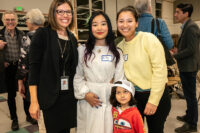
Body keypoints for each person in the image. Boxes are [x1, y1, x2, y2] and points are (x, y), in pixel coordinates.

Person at [117, 6, 171, 133]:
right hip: (134, 98)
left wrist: (153, 101)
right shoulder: (119, 47)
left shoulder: (148, 39)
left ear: (137, 23)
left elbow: (160, 71)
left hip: (156, 95)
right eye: (121, 21)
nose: (125, 25)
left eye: (129, 21)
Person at [28, 0, 78, 133]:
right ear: (53, 14)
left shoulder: (72, 38)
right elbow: (34, 70)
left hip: (67, 98)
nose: (65, 15)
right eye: (60, 11)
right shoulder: (42, 34)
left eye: (68, 12)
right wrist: (34, 102)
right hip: (49, 99)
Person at [73, 11, 124, 133]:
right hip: (88, 100)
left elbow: (120, 79)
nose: (99, 28)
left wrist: (117, 98)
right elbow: (77, 76)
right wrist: (85, 94)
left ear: (109, 27)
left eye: (103, 24)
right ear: (90, 28)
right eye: (95, 24)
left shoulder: (117, 52)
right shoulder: (82, 50)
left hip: (109, 100)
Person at [16, 8, 45, 131]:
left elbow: (23, 63)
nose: (26, 22)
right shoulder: (49, 35)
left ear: (31, 21)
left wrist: (20, 81)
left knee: (37, 107)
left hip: (34, 79)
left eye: (26, 20)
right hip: (48, 80)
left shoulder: (27, 38)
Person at [172, 3, 199, 133]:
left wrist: (176, 55)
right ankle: (189, 116)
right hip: (186, 66)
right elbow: (188, 47)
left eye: (177, 12)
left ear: (186, 13)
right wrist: (179, 50)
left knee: (191, 96)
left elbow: (192, 49)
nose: (175, 14)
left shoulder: (191, 27)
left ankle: (192, 124)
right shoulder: (186, 26)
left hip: (189, 67)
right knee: (189, 95)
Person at [0, 10, 26, 131]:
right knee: (11, 94)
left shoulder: (22, 34)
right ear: (3, 21)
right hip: (8, 68)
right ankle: (14, 119)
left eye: (12, 19)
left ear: (16, 21)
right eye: (7, 19)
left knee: (25, 91)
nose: (10, 22)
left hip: (21, 67)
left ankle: (29, 115)